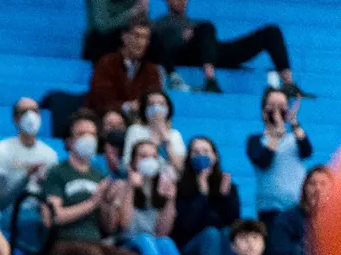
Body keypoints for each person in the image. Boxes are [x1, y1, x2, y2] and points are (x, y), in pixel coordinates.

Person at [43, 112, 145, 255]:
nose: (88, 138)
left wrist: (109, 203)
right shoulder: (57, 172)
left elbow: (109, 226)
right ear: (69, 141)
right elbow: (55, 217)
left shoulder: (99, 175)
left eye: (92, 133)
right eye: (81, 133)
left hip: (94, 242)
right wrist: (93, 202)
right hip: (61, 243)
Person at [150, 0, 303, 96]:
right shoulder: (160, 24)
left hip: (214, 53)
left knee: (272, 31)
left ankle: (289, 84)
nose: (182, 1)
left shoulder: (195, 22)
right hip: (186, 54)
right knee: (206, 27)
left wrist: (198, 33)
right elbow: (160, 49)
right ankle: (210, 80)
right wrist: (184, 39)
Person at [266, 164, 328, 255]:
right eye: (312, 184)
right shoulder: (287, 219)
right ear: (304, 189)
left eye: (323, 184)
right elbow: (280, 253)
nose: (317, 189)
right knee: (300, 249)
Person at [246, 88, 311, 225]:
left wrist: (294, 123)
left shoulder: (295, 137)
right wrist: (275, 134)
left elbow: (307, 150)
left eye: (282, 106)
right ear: (264, 112)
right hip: (269, 209)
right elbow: (264, 161)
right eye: (272, 106)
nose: (277, 111)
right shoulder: (255, 140)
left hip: (297, 208)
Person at [0, 97, 59, 221]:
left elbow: (53, 196)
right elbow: (0, 202)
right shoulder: (1, 150)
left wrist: (43, 184)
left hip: (39, 216)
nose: (30, 116)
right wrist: (26, 178)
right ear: (15, 119)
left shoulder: (50, 154)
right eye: (24, 112)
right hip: (9, 216)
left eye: (35, 111)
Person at [87, 20, 162, 117]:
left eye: (145, 38)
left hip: (138, 122)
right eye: (137, 36)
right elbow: (100, 102)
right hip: (106, 120)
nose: (141, 42)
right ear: (124, 37)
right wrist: (126, 107)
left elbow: (154, 99)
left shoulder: (151, 70)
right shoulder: (106, 63)